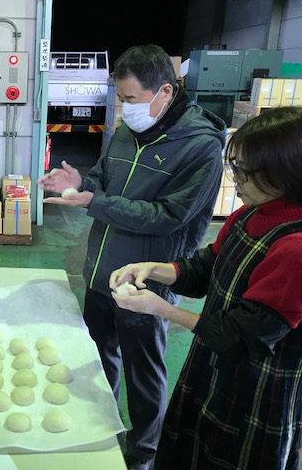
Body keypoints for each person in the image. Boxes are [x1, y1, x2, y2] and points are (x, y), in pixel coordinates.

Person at [37, 44, 226, 469]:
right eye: (119, 99)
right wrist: (80, 180)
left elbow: (169, 217)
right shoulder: (127, 131)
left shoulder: (200, 148)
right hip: (102, 268)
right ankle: (100, 431)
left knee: (144, 372)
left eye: (130, 100)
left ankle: (144, 453)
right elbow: (103, 178)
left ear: (164, 91)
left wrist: (93, 201)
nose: (123, 109)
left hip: (144, 280)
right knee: (98, 355)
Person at [110, 105, 302, 469]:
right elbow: (204, 270)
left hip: (257, 385)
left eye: (246, 171)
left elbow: (243, 336)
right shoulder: (246, 215)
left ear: (287, 171)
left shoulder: (295, 249)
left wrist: (161, 309)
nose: (237, 180)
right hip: (213, 363)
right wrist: (153, 268)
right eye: (236, 168)